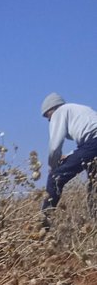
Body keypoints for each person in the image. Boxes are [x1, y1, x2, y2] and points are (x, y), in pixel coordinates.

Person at [40, 93, 97, 221]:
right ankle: (94, 227)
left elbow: (55, 147)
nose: (49, 120)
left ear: (52, 109)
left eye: (47, 116)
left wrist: (52, 166)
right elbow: (87, 143)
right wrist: (71, 155)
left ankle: (43, 224)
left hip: (93, 144)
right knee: (95, 185)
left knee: (55, 178)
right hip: (92, 145)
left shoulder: (60, 112)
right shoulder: (79, 109)